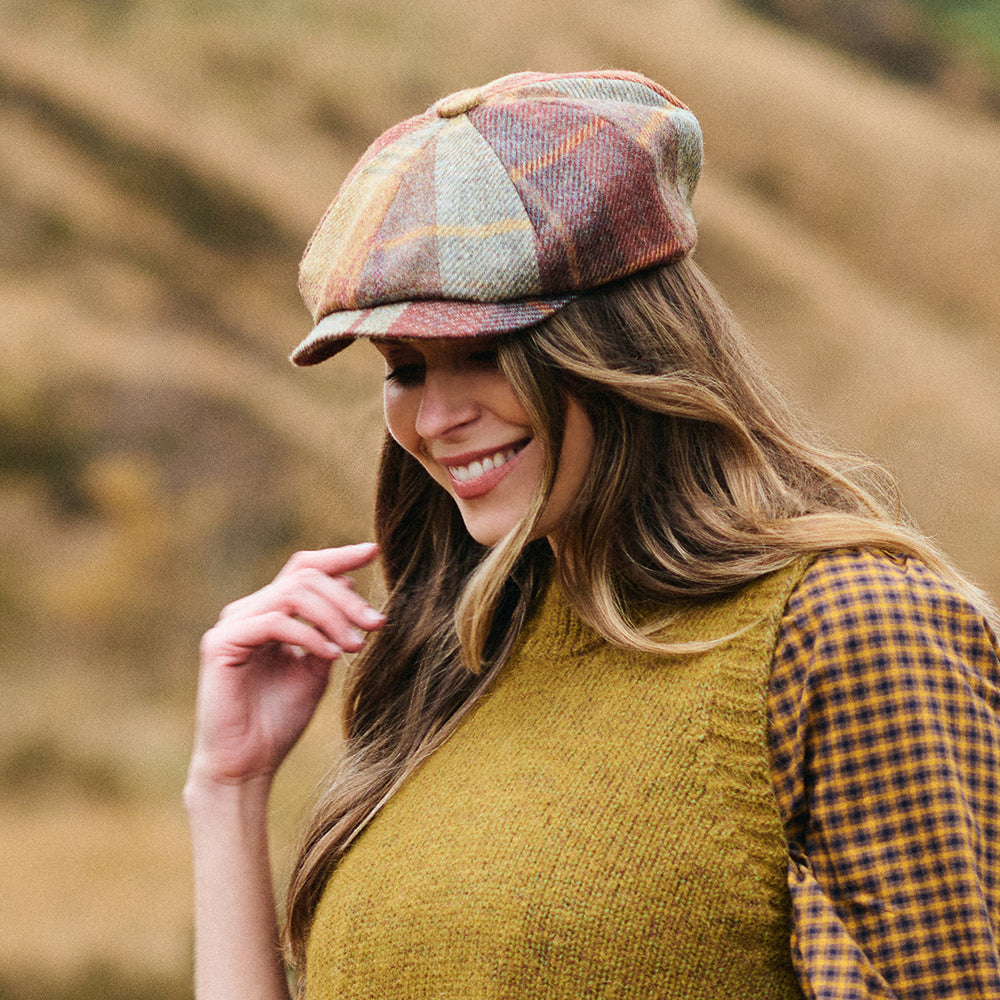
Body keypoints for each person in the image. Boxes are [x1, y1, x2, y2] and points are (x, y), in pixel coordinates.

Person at [184, 70, 1000, 999]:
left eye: (486, 352)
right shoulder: (457, 661)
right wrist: (227, 787)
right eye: (404, 368)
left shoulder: (852, 629)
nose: (436, 418)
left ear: (625, 346)